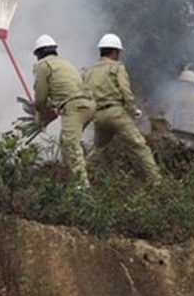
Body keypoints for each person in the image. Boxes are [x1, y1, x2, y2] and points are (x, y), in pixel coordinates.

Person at [83, 33, 161, 183]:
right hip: (116, 113)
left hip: (98, 115)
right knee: (140, 145)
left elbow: (85, 94)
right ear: (115, 52)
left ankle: (81, 177)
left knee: (98, 149)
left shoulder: (90, 71)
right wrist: (133, 110)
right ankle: (156, 181)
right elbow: (125, 90)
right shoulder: (117, 67)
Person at [31, 34, 97, 188]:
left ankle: (82, 189)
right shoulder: (65, 63)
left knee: (70, 145)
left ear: (39, 54)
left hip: (74, 107)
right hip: (89, 105)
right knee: (66, 141)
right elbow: (64, 89)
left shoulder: (43, 65)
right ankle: (71, 179)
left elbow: (40, 97)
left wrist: (40, 116)